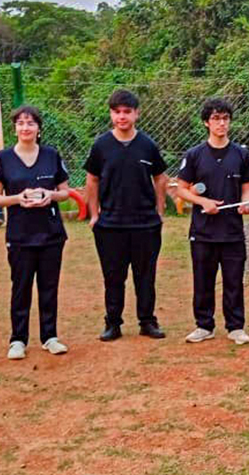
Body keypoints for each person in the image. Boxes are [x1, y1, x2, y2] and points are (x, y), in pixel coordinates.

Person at [84, 89, 169, 342]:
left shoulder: (147, 144)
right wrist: (94, 214)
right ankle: (113, 323)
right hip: (110, 224)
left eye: (127, 112)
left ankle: (147, 321)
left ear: (136, 114)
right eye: (117, 112)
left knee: (146, 275)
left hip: (145, 223)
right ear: (111, 114)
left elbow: (161, 178)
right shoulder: (101, 145)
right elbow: (92, 180)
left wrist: (160, 211)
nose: (122, 117)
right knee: (113, 276)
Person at [0, 104, 72, 359]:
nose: (26, 128)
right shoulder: (2, 158)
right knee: (21, 286)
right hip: (20, 235)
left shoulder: (51, 155)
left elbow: (66, 192)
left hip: (50, 233)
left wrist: (50, 195)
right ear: (15, 128)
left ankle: (50, 336)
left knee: (49, 286)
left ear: (39, 128)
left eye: (31, 123)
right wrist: (18, 198)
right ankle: (18, 340)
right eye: (21, 123)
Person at [175, 98, 249, 345]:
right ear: (206, 123)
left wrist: (246, 202)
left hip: (232, 231)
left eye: (225, 119)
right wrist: (203, 203)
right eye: (215, 119)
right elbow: (181, 189)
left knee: (234, 279)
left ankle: (235, 327)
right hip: (203, 232)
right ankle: (204, 325)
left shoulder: (240, 154)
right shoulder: (194, 155)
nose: (221, 123)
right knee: (203, 279)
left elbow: (247, 188)